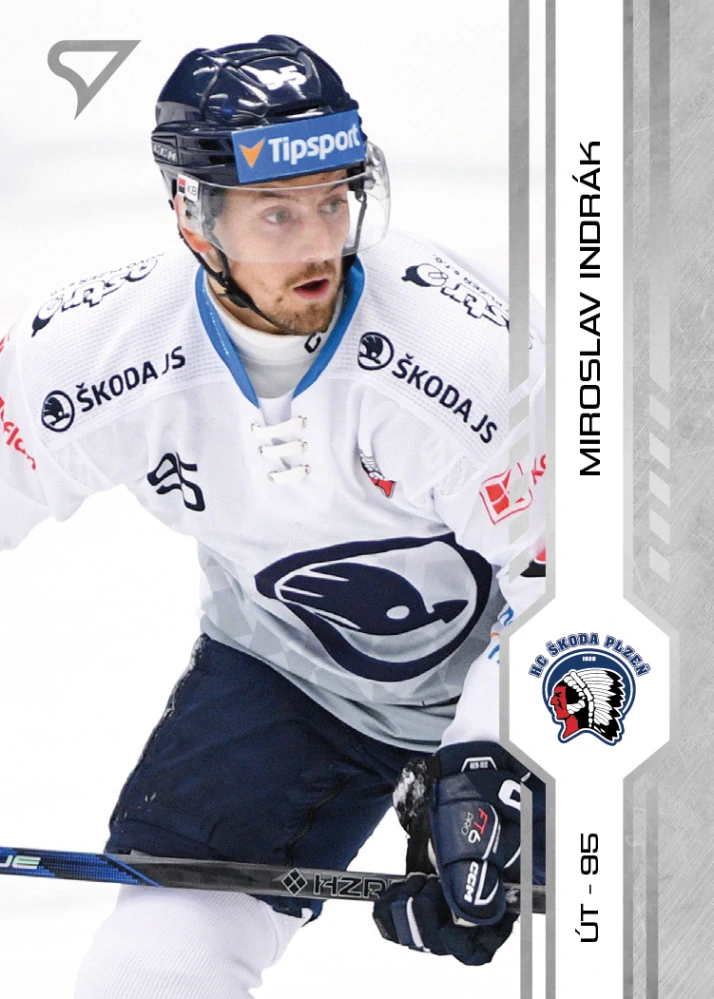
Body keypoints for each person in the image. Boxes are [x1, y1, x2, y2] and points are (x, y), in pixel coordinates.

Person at [0, 35, 546, 998]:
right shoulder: (98, 353)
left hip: (529, 670)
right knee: (153, 965)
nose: (318, 243)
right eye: (278, 213)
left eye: (335, 200)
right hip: (290, 671)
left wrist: (496, 758)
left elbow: (582, 583)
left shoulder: (462, 360)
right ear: (194, 215)